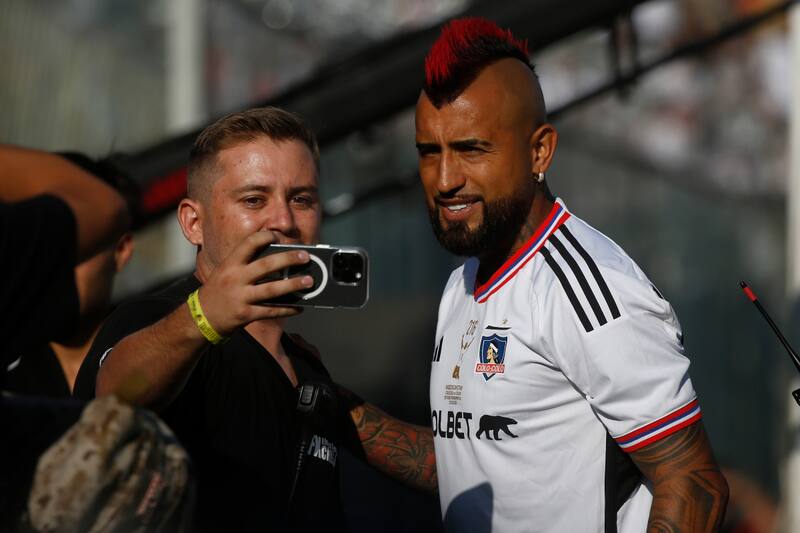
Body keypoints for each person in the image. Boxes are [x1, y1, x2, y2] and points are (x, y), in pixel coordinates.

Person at [410, 17, 729, 532]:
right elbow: (468, 461)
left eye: (471, 149)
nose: (445, 179)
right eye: (430, 152)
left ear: (539, 151)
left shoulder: (587, 287)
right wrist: (341, 412)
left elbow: (693, 483)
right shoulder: (460, 284)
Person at [74, 107, 358, 531]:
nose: (283, 221)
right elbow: (115, 396)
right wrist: (204, 317)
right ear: (193, 222)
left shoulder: (305, 365)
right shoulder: (158, 319)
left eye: (301, 199)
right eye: (253, 200)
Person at [5, 232, 134, 396]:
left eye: (77, 249)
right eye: (42, 251)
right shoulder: (9, 384)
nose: (56, 268)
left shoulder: (161, 358)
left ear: (121, 250)